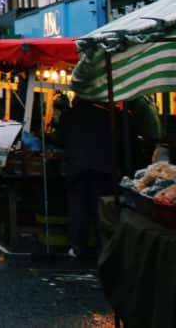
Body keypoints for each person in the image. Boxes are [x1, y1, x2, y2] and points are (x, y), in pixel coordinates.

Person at [55, 97, 116, 260]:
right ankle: (102, 247)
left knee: (78, 208)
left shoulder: (69, 115)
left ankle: (78, 247)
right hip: (101, 168)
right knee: (99, 209)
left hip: (76, 168)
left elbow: (59, 140)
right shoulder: (106, 115)